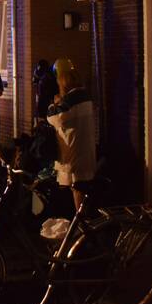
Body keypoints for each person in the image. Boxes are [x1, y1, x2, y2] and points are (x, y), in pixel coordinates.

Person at [46, 58, 96, 212]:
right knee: (82, 189)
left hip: (74, 153)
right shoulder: (85, 96)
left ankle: (82, 227)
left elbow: (54, 118)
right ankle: (83, 224)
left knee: (77, 189)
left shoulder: (70, 100)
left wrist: (53, 104)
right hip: (85, 150)